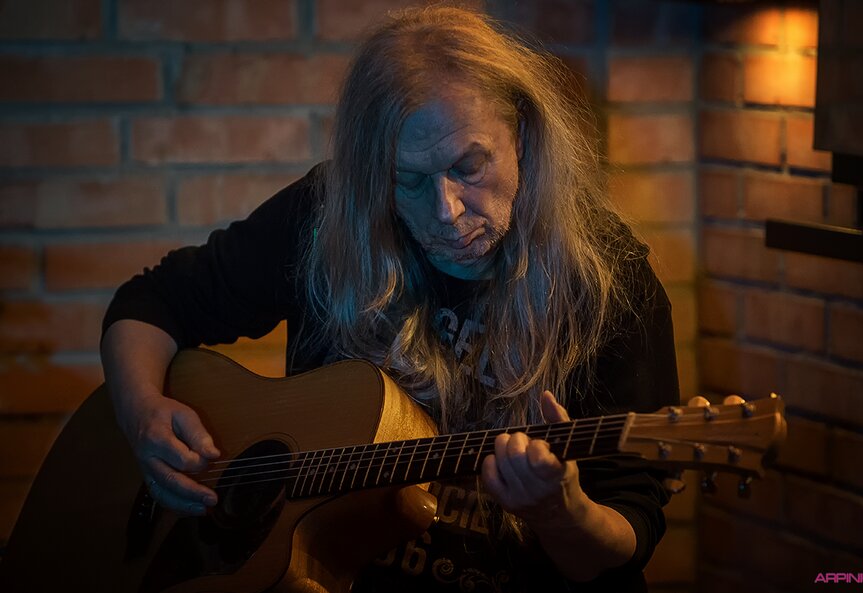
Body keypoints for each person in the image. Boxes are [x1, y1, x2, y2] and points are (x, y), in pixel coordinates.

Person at [101, 6, 679, 592]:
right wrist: (141, 411)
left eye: (469, 165)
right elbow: (152, 303)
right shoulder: (326, 216)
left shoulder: (608, 277)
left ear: (523, 137)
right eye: (408, 180)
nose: (446, 210)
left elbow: (620, 547)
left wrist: (561, 512)